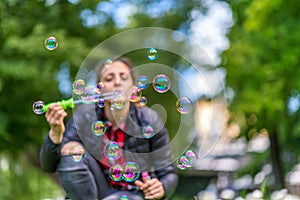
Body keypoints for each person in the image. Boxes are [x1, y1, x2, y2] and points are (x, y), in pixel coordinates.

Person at [39, 57, 178, 200]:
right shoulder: (85, 116)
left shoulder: (149, 120)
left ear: (133, 88)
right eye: (109, 78)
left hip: (134, 194)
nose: (117, 82)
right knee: (71, 148)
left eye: (123, 78)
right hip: (94, 193)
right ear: (100, 89)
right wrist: (55, 133)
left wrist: (161, 187)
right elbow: (48, 166)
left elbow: (168, 173)